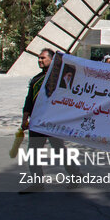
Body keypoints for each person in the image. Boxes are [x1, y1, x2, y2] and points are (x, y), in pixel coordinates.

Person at [19, 49, 82, 194]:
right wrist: (25, 118)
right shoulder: (36, 80)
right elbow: (29, 100)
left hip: (53, 122)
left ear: (52, 60)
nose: (40, 60)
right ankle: (37, 183)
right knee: (33, 153)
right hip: (37, 122)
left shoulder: (61, 78)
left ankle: (75, 175)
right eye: (38, 58)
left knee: (59, 151)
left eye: (43, 58)